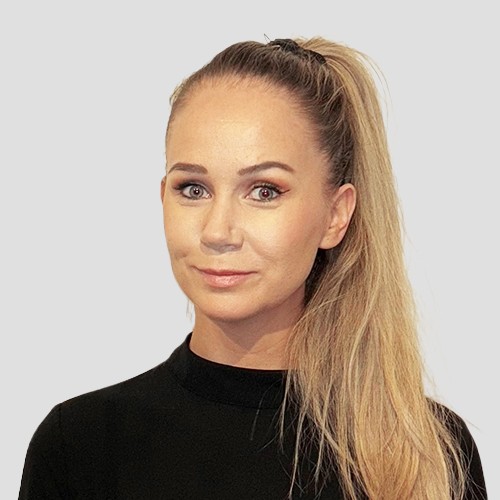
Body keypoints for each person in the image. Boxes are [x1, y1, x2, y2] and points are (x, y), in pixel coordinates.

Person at [19, 37, 487, 500]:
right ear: (163, 197)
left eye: (264, 191)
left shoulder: (426, 453)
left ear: (335, 215)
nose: (217, 231)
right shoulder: (79, 446)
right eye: (193, 189)